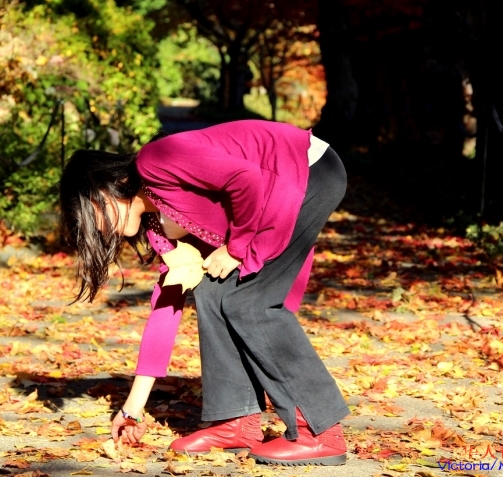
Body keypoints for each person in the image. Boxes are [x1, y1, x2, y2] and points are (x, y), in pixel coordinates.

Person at [60, 120, 350, 466]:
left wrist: (236, 249)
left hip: (305, 170)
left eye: (92, 216)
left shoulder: (156, 160)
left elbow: (246, 178)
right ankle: (236, 422)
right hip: (278, 192)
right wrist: (132, 409)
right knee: (212, 293)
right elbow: (166, 308)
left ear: (103, 189)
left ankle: (319, 432)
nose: (100, 229)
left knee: (249, 303)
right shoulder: (159, 229)